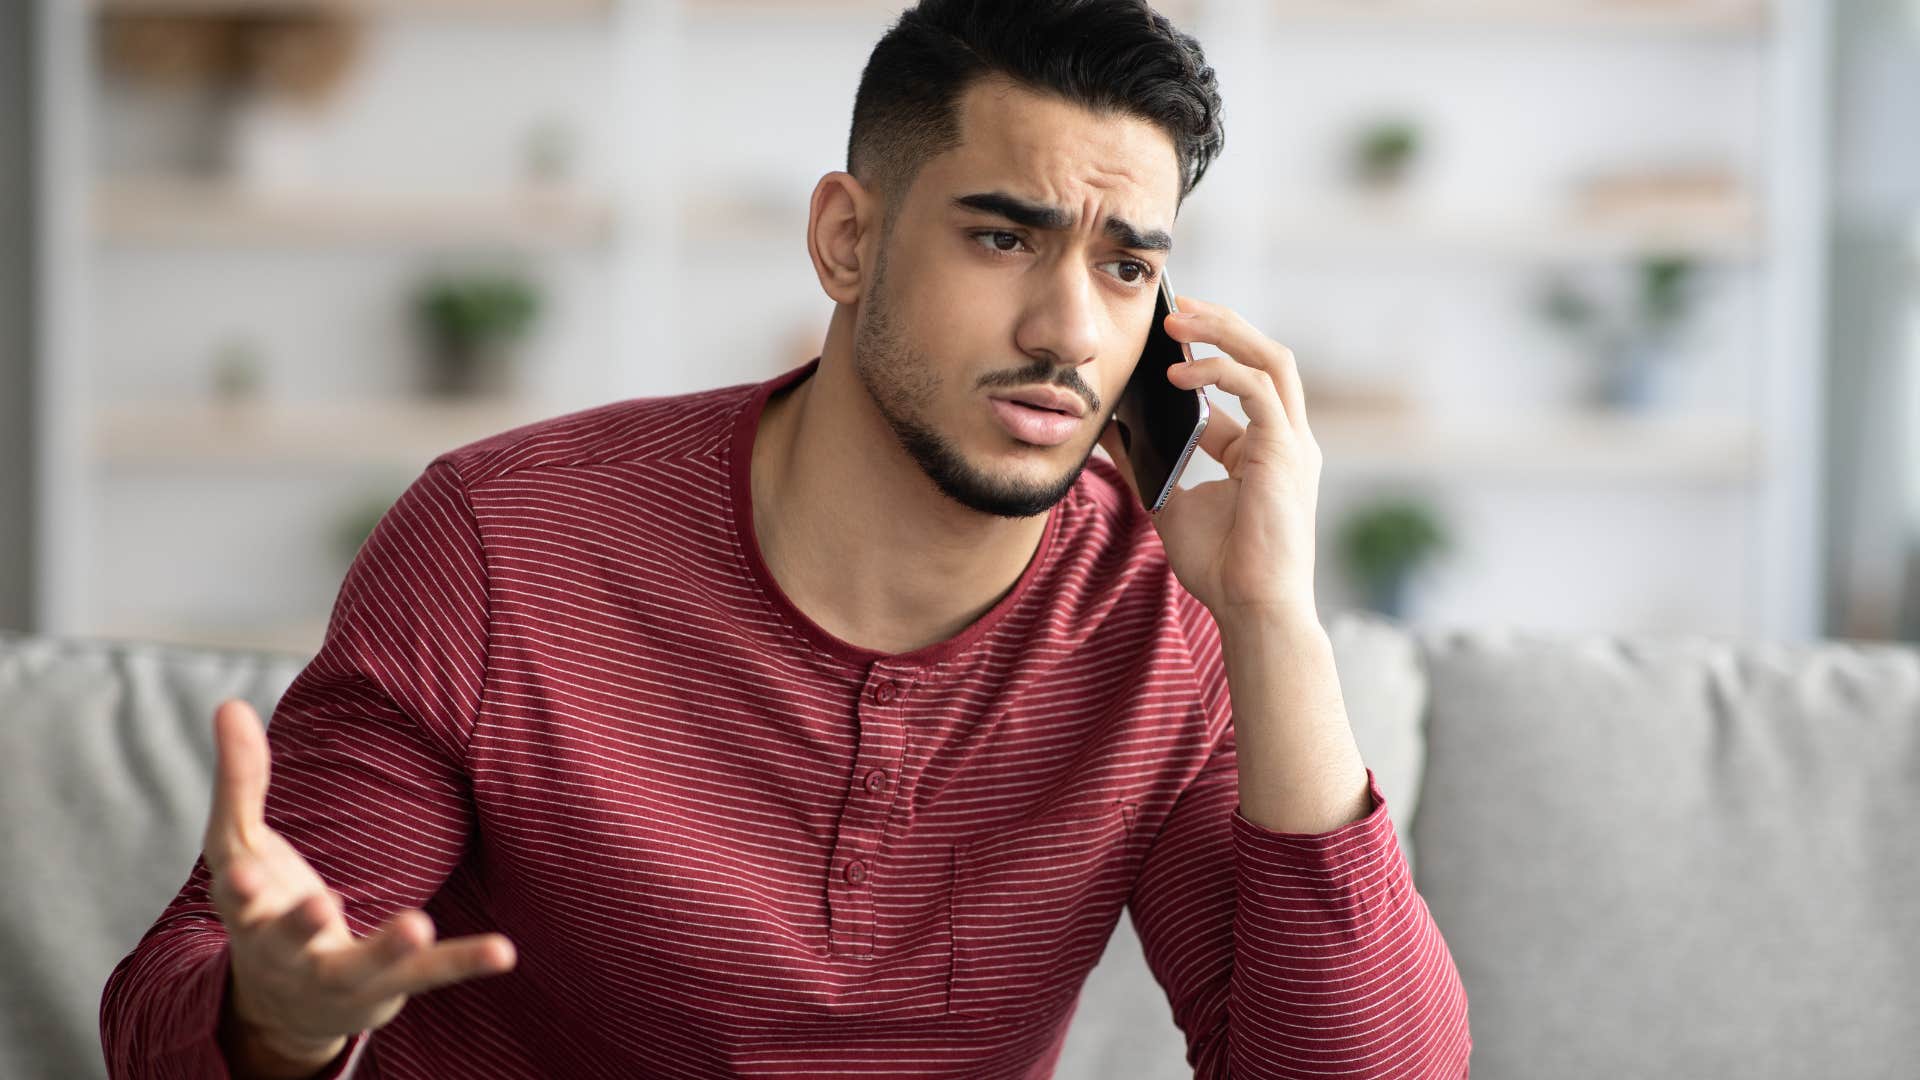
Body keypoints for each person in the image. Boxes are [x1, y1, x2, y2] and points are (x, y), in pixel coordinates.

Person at [101, 1, 1471, 1076]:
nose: (1070, 329)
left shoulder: (1166, 624)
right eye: (1005, 238)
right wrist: (276, 1017)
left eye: (1127, 266)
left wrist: (1274, 621)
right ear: (846, 239)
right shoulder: (499, 545)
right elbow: (174, 1013)